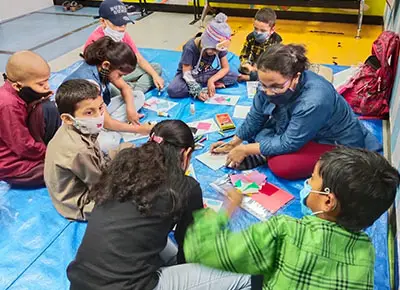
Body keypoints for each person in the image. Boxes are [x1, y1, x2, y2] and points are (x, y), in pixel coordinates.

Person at [67, 120, 251, 290]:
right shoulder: (185, 186)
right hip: (130, 286)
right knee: (248, 277)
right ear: (185, 154)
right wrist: (228, 210)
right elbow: (192, 246)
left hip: (80, 280)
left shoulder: (122, 168)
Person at [185, 147, 400, 290]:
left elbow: (205, 249)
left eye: (312, 179)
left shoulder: (285, 231)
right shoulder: (367, 252)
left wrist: (225, 212)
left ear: (328, 201)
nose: (307, 182)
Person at [211, 44, 382, 180]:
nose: (268, 92)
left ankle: (266, 153)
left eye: (276, 87)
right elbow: (256, 115)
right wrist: (233, 143)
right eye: (263, 85)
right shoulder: (269, 83)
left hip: (333, 141)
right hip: (298, 129)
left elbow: (289, 143)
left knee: (282, 166)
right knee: (257, 132)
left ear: (296, 77)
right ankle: (265, 151)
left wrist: (247, 149)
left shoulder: (314, 99)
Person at [44, 79, 132, 221]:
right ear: (67, 118)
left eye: (101, 108)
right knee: (134, 195)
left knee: (129, 149)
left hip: (91, 173)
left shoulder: (76, 129)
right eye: (89, 112)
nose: (99, 116)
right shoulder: (79, 149)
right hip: (81, 203)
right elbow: (100, 186)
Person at [66, 37, 153, 151]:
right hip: (86, 121)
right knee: (109, 142)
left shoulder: (103, 69)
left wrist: (131, 110)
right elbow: (106, 122)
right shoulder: (90, 83)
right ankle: (113, 128)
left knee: (138, 95)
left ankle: (115, 126)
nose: (120, 78)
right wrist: (141, 130)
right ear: (106, 65)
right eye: (120, 75)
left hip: (100, 111)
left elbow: (125, 88)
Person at [0, 51, 61, 188]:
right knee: (63, 171)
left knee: (48, 108)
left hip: (24, 146)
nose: (47, 86)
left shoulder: (19, 93)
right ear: (17, 85)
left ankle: (54, 151)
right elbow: (23, 146)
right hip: (13, 163)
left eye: (47, 81)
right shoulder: (8, 105)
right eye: (40, 84)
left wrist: (39, 97)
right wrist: (50, 153)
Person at [84, 0, 164, 94]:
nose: (122, 28)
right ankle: (133, 92)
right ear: (103, 21)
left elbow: (139, 58)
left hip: (122, 73)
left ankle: (134, 91)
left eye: (124, 23)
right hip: (108, 78)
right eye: (117, 24)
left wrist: (155, 76)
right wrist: (124, 88)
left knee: (155, 68)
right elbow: (101, 75)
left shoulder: (122, 34)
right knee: (112, 90)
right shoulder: (96, 42)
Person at [167, 13, 238, 101]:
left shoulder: (218, 47)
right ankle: (201, 86)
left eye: (218, 51)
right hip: (188, 76)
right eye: (213, 50)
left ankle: (207, 84)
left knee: (233, 76)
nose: (215, 53)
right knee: (173, 90)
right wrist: (197, 91)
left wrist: (211, 80)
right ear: (206, 43)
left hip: (206, 73)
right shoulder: (190, 47)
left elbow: (225, 68)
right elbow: (186, 73)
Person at [238, 8, 282, 82]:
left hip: (265, 68)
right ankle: (254, 77)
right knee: (239, 68)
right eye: (255, 28)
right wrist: (247, 64)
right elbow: (244, 55)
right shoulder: (251, 37)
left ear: (272, 30)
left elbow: (274, 63)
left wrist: (258, 68)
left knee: (275, 75)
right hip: (251, 67)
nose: (258, 33)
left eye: (263, 31)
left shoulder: (276, 41)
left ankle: (248, 78)